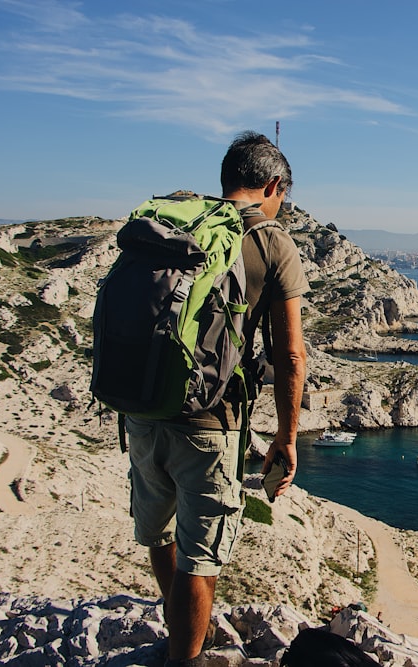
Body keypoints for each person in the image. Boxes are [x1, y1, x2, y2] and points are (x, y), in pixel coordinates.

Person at [126, 131, 309, 667]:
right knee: (200, 560)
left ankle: (181, 628)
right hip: (209, 420)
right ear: (273, 185)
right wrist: (286, 438)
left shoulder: (176, 224)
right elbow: (291, 356)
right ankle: (184, 656)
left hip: (141, 408)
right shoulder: (272, 242)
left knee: (160, 535)